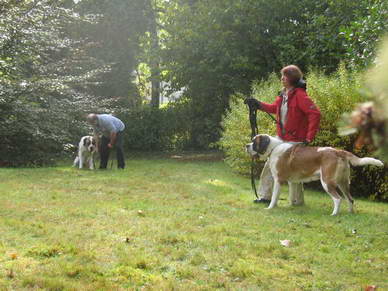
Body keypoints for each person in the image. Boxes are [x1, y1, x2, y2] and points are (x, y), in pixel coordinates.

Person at [246, 65, 321, 205]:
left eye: (284, 76)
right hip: (281, 139)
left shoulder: (300, 95)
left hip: (295, 140)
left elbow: (315, 114)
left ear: (292, 78)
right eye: (282, 75)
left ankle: (297, 201)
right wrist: (258, 104)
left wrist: (309, 137)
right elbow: (274, 108)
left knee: (295, 170)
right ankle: (265, 197)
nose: (282, 78)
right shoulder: (283, 95)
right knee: (270, 166)